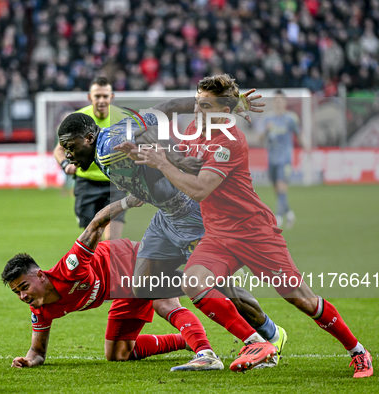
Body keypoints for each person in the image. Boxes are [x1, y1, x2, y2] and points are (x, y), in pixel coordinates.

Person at [133, 74, 373, 378]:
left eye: (205, 106)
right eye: (197, 102)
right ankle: (255, 342)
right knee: (193, 281)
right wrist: (153, 156)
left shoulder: (230, 141)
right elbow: (183, 150)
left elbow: (199, 189)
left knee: (302, 299)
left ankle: (358, 351)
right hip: (219, 235)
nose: (196, 110)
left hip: (254, 233)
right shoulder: (197, 128)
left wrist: (162, 162)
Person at [57, 92, 283, 372]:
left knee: (220, 287)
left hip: (192, 213)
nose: (67, 153)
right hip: (166, 216)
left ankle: (268, 336)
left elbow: (152, 131)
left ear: (88, 138)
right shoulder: (114, 135)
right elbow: (169, 107)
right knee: (143, 284)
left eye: (69, 145)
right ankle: (206, 308)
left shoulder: (109, 146)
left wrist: (178, 155)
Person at [2, 195, 223, 370]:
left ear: (40, 276)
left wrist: (127, 201)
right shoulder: (40, 309)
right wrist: (29, 360)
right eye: (17, 293)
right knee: (118, 354)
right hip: (121, 290)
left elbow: (96, 224)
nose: (23, 296)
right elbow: (37, 352)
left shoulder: (69, 268)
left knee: (164, 304)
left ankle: (205, 353)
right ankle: (185, 339)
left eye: (24, 287)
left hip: (137, 261)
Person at [53, 77, 127, 240]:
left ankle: (110, 265)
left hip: (115, 184)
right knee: (91, 240)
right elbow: (58, 149)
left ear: (111, 97)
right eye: (97, 96)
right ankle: (95, 265)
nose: (101, 100)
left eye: (105, 96)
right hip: (87, 183)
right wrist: (66, 165)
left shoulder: (123, 118)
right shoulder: (78, 120)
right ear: (89, 97)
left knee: (112, 241)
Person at [259, 89, 303, 228]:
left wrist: (307, 148)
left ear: (285, 102)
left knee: (281, 186)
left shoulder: (291, 118)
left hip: (285, 159)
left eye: (280, 100)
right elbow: (260, 139)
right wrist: (266, 129)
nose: (277, 102)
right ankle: (289, 213)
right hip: (272, 159)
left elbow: (299, 134)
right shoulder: (267, 118)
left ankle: (278, 218)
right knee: (277, 189)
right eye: (275, 100)